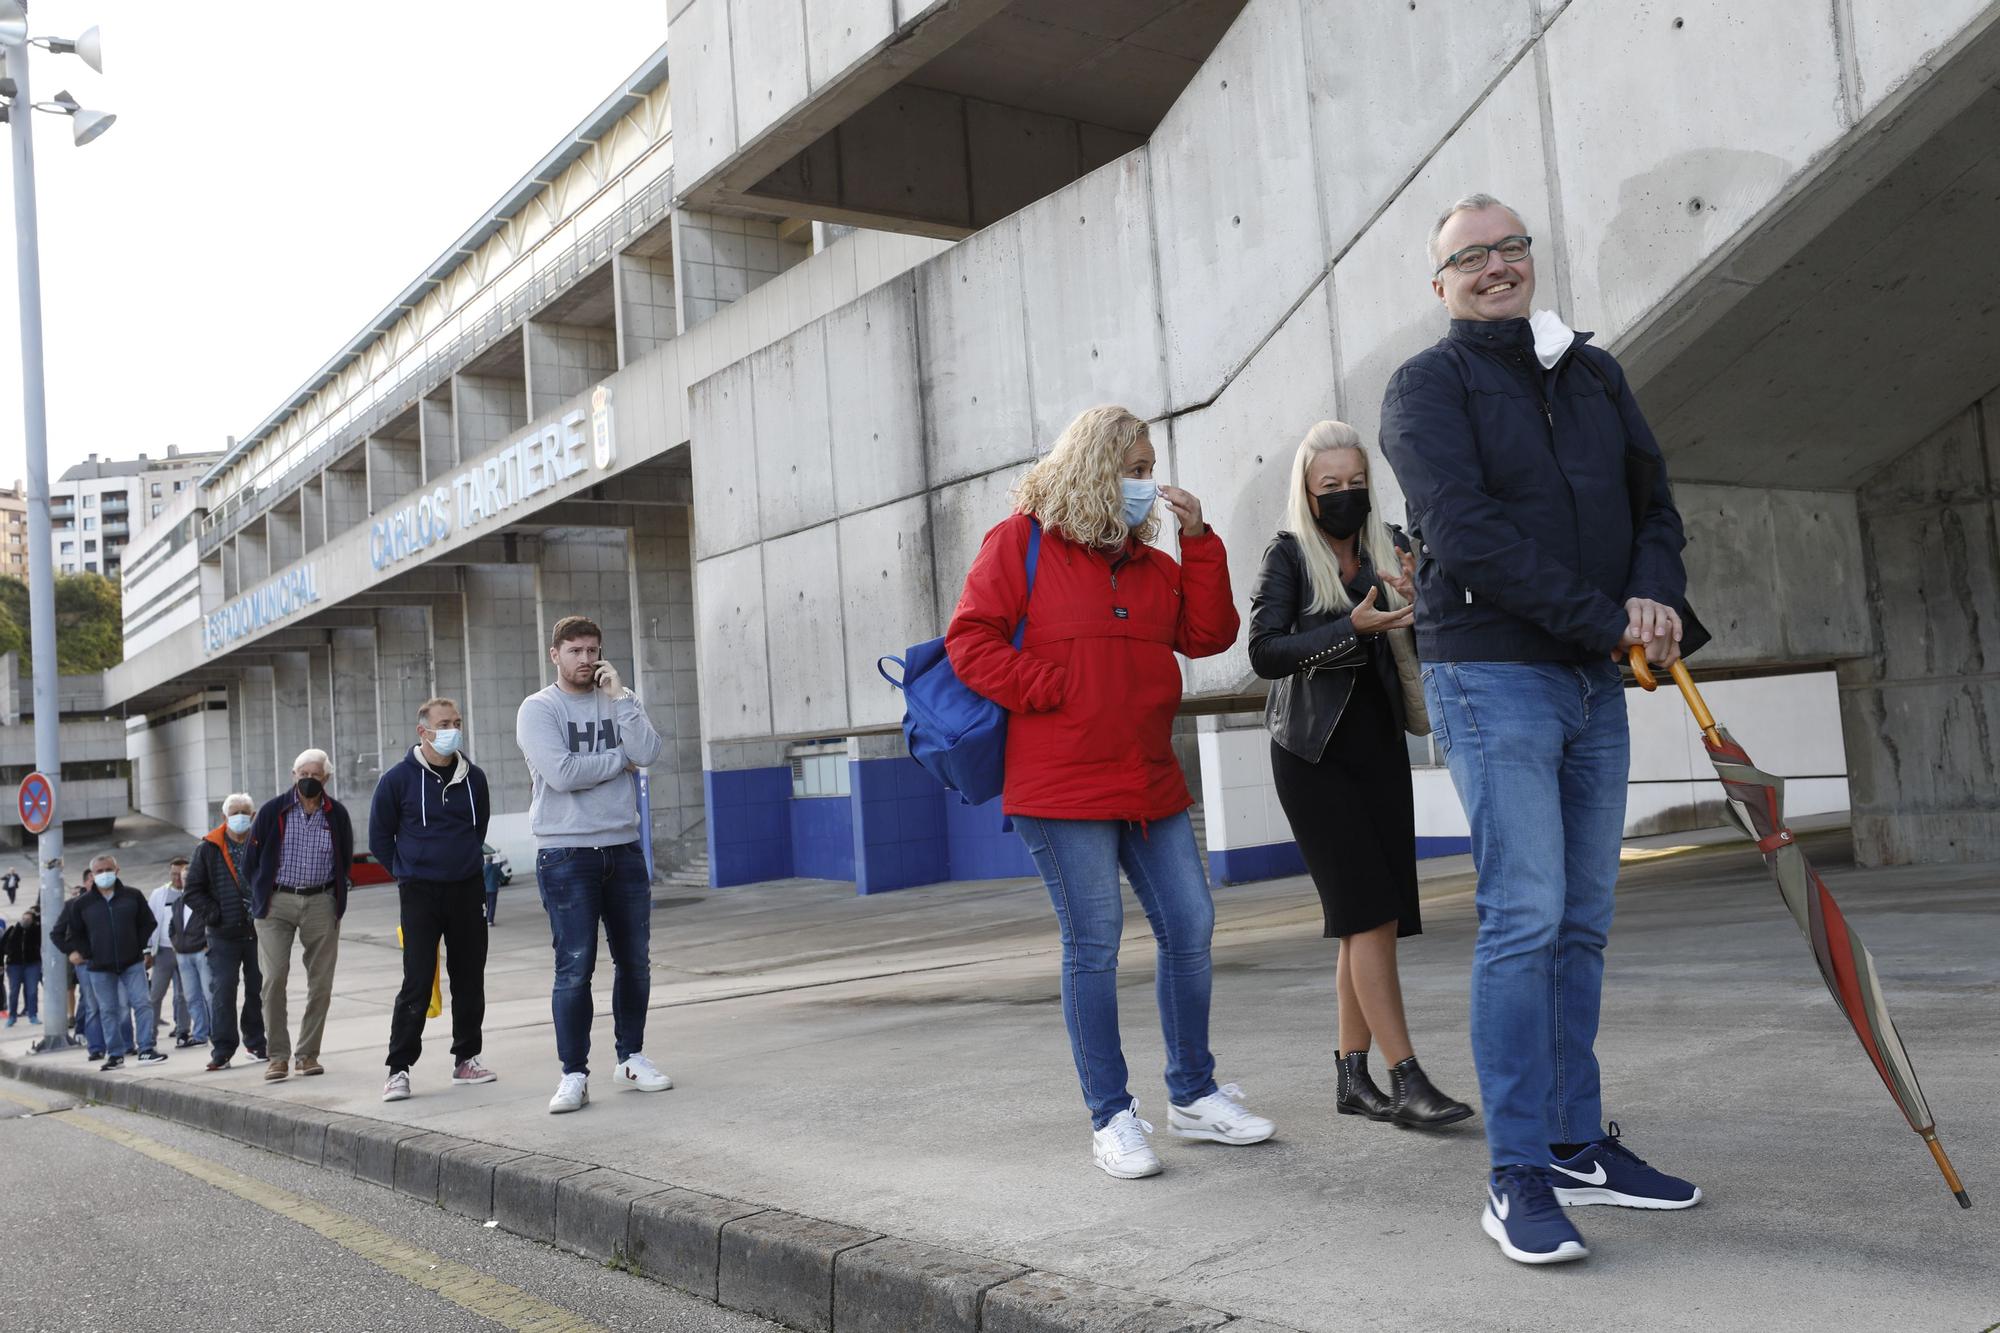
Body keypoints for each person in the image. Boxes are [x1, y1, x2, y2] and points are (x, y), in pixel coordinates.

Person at [1380, 193, 1701, 1265]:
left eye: (1507, 247)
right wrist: (1602, 617)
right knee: (1523, 917)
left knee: (1582, 919)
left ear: (1529, 257)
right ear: (1440, 286)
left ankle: (1572, 1143)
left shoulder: (1594, 373)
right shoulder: (1426, 386)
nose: (1492, 266)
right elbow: (1459, 531)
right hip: (1492, 676)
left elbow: (1653, 504)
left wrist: (1648, 599)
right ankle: (1514, 1171)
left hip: (1589, 678)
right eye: (1466, 258)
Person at [945, 404, 1270, 1180]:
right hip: (1059, 785)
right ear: (1093, 468)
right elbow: (970, 640)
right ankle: (1112, 1115)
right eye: (1135, 469)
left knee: (1190, 925)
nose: (1146, 483)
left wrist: (1198, 542)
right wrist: (1050, 685)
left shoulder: (1155, 565)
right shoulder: (1019, 543)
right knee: (1094, 945)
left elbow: (1209, 635)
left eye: (1151, 468)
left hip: (1149, 778)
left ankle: (1192, 1093)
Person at [1250, 421, 1474, 1132]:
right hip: (1312, 753)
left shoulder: (1393, 544)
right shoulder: (1288, 555)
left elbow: (1437, 619)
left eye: (1356, 484)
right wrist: (1355, 625)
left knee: (1366, 920)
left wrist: (1419, 597)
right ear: (1307, 493)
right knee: (1368, 914)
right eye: (1330, 487)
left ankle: (1352, 1076)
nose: (1346, 496)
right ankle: (1406, 1077)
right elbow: (1265, 651)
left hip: (1378, 746)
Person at [515, 615, 668, 1114]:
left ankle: (632, 1057)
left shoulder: (619, 700)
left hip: (622, 846)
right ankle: (573, 1074)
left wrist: (622, 699)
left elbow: (647, 751)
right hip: (565, 851)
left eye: (592, 650)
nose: (585, 660)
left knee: (635, 962)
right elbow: (561, 774)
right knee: (575, 967)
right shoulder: (538, 709)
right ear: (554, 653)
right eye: (575, 651)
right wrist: (617, 763)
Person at [371, 696, 497, 1101]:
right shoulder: (397, 780)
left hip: (466, 888)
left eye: (456, 722)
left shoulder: (473, 777)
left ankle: (467, 1058)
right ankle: (398, 1068)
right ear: (423, 731)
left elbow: (478, 830)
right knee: (418, 978)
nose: (452, 730)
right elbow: (379, 838)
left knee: (469, 976)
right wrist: (409, 871)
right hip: (420, 892)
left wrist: (460, 863)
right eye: (444, 723)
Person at [246, 750, 354, 1082]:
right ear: (293, 775)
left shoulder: (336, 815)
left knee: (320, 983)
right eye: (303, 773)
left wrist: (335, 899)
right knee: (274, 978)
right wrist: (261, 895)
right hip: (276, 903)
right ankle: (277, 1055)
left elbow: (345, 859)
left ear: (326, 778)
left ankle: (307, 1054)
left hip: (321, 901)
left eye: (316, 774)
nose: (309, 779)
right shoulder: (270, 812)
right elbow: (250, 863)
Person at [49, 855, 165, 1070]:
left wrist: (137, 945)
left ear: (117, 869)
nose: (104, 874)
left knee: (142, 1004)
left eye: (108, 869)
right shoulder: (81, 904)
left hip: (132, 962)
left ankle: (146, 1049)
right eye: (99, 871)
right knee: (107, 1010)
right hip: (99, 967)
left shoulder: (133, 895)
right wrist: (85, 952)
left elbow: (148, 922)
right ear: (92, 875)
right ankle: (115, 1054)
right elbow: (74, 933)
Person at [183, 793, 268, 1071]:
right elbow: (192, 891)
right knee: (223, 992)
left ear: (253, 816)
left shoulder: (263, 842)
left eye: (245, 811)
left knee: (259, 989)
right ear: (224, 817)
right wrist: (214, 914)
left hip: (259, 931)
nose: (240, 816)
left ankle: (256, 1042)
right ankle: (222, 1048)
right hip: (222, 934)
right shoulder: (208, 848)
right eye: (235, 812)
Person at [145, 857, 195, 1048]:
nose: (176, 878)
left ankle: (183, 1031)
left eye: (180, 874)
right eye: (173, 874)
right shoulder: (160, 894)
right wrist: (148, 950)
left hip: (185, 950)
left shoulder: (193, 893)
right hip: (164, 951)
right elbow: (150, 922)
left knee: (184, 995)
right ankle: (149, 1034)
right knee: (156, 994)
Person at [2, 904, 40, 1025]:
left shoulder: (36, 931)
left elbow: (42, 939)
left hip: (32, 964)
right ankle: (12, 1016)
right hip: (14, 965)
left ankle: (32, 1014)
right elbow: (2, 946)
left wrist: (36, 924)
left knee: (32, 991)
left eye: (28, 919)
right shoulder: (13, 930)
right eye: (24, 918)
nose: (25, 921)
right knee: (14, 991)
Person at [482, 852, 504, 926]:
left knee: (486, 905)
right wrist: (500, 880)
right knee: (492, 905)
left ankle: (485, 918)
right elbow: (502, 876)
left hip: (485, 889)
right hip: (493, 889)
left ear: (486, 860)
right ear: (492, 860)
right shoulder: (495, 867)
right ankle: (490, 920)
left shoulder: (483, 868)